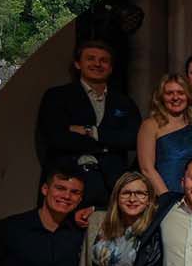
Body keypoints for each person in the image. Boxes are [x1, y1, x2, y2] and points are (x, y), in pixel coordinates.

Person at [34, 40, 142, 206]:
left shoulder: (124, 102)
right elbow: (58, 139)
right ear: (78, 64)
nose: (97, 64)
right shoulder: (57, 96)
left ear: (111, 68)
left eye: (104, 60)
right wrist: (109, 144)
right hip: (67, 183)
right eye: (91, 58)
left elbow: (134, 139)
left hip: (111, 186)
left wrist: (91, 132)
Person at [137, 75, 192, 199]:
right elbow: (147, 169)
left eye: (180, 93)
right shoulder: (150, 126)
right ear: (161, 97)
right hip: (161, 198)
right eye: (169, 93)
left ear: (188, 96)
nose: (175, 97)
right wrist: (168, 199)